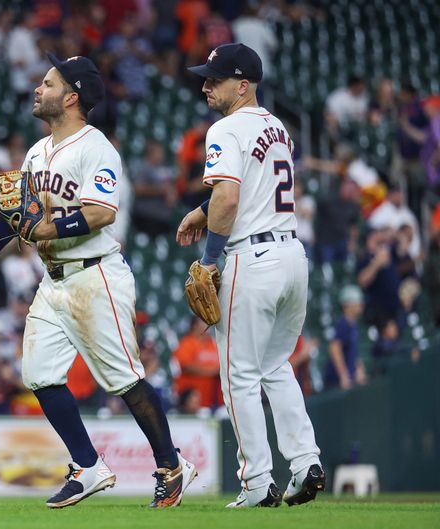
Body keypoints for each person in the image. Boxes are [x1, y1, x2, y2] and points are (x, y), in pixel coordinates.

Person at [0, 53, 197, 509]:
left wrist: (46, 228)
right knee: (38, 374)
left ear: (72, 96)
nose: (38, 89)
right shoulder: (36, 151)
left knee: (124, 379)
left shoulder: (95, 147)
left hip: (95, 274)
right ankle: (87, 466)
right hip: (54, 280)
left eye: (48, 83)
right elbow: (16, 211)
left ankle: (172, 465)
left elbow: (102, 212)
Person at [177, 43, 324, 508]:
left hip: (251, 259)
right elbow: (251, 188)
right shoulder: (278, 127)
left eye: (214, 79)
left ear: (241, 85)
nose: (205, 85)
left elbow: (229, 198)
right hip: (292, 255)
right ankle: (305, 462)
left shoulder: (225, 127)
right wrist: (203, 209)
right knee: (275, 366)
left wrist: (210, 259)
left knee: (239, 376)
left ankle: (257, 482)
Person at [324, 285, 367, 391]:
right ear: (347, 305)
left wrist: (359, 370)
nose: (360, 305)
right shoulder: (343, 324)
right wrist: (343, 375)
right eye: (357, 302)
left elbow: (354, 352)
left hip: (350, 381)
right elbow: (334, 348)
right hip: (337, 383)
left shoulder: (353, 325)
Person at [173, 317, 221, 410]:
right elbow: (186, 366)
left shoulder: (212, 344)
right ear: (194, 326)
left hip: (212, 402)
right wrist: (212, 371)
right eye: (204, 323)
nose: (208, 326)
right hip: (190, 405)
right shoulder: (187, 343)